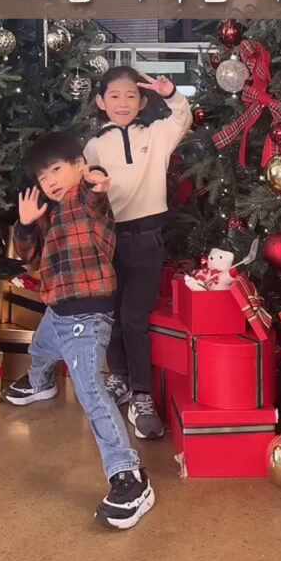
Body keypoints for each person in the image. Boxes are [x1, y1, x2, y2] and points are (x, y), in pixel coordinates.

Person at [4, 130, 155, 531]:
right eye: (43, 178)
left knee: (90, 390)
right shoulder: (49, 215)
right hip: (58, 310)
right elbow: (29, 258)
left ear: (78, 166)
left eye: (56, 170)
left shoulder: (84, 201)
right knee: (40, 348)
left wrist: (96, 180)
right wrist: (25, 226)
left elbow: (97, 190)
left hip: (87, 317)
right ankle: (40, 383)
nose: (50, 181)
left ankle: (129, 477)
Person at [83, 68, 192, 439]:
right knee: (111, 315)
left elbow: (182, 117)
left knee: (134, 318)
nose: (123, 103)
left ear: (143, 101)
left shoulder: (157, 135)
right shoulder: (94, 146)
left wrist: (170, 93)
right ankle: (120, 378)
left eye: (131, 95)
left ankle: (142, 394)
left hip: (146, 240)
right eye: (114, 96)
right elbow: (85, 190)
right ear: (101, 102)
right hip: (108, 240)